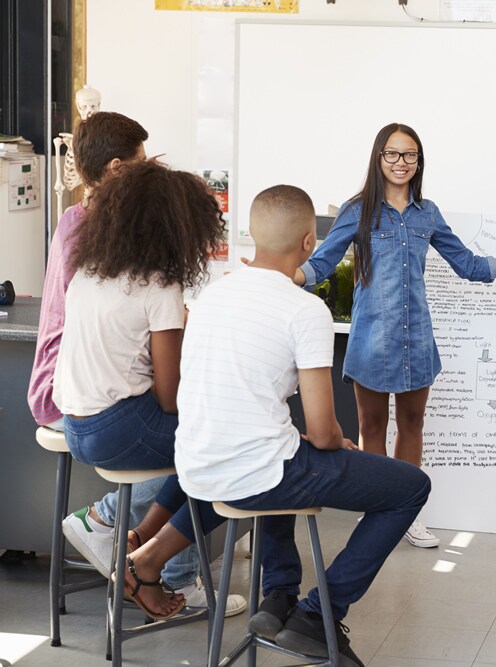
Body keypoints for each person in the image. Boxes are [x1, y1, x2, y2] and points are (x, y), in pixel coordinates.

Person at [171, 185, 431, 666]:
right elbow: (325, 429)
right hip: (253, 475)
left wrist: (313, 439)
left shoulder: (211, 293)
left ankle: (279, 595)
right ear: (310, 242)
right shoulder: (303, 307)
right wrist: (334, 441)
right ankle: (319, 615)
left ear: (251, 234)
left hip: (196, 469)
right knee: (410, 487)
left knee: (287, 446)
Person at [27, 112, 243, 614]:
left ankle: (138, 544)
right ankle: (139, 553)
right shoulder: (158, 283)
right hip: (111, 422)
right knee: (227, 451)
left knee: (203, 444)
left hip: (77, 417)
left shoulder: (92, 270)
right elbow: (169, 397)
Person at [299, 122, 496, 548]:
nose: (401, 163)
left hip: (416, 341)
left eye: (410, 155)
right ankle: (377, 513)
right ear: (379, 158)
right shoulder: (357, 209)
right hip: (371, 340)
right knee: (371, 425)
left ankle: (406, 512)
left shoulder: (427, 213)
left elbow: (468, 266)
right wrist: (280, 275)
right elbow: (321, 265)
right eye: (393, 154)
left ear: (419, 162)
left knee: (413, 424)